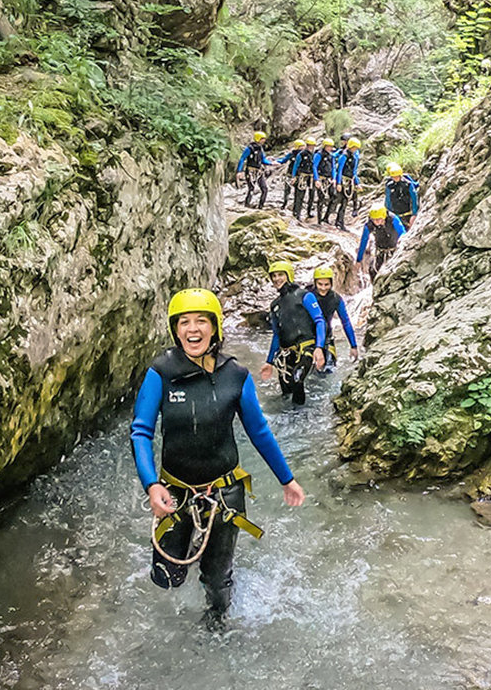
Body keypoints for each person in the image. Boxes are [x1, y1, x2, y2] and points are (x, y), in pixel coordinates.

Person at [130, 288, 306, 630]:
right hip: (175, 491)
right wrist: (152, 486)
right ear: (175, 328)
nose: (192, 329)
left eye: (201, 321)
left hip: (223, 493)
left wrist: (287, 479)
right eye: (184, 322)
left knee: (217, 584)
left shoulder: (235, 375)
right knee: (166, 577)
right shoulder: (160, 373)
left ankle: (215, 627)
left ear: (214, 328)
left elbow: (259, 432)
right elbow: (141, 432)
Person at [260, 260, 326, 405]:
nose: (277, 279)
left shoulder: (305, 296)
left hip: (306, 348)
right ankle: (288, 423)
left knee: (297, 380)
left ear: (289, 275)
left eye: (280, 275)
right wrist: (269, 361)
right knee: (286, 391)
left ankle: (302, 420)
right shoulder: (275, 305)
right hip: (286, 354)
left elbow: (319, 321)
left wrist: (319, 348)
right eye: (274, 276)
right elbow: (277, 334)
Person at [308, 265, 357, 373]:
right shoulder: (307, 296)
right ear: (315, 283)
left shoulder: (336, 299)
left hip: (326, 337)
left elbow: (346, 322)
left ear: (331, 284)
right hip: (307, 337)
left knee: (328, 370)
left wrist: (353, 346)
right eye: (320, 284)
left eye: (327, 284)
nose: (323, 288)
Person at [356, 204, 407, 282]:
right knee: (373, 271)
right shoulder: (369, 225)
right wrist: (359, 259)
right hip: (381, 251)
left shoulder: (393, 219)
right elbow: (364, 241)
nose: (376, 222)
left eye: (378, 219)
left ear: (384, 216)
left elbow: (403, 233)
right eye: (374, 219)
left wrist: (404, 248)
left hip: (395, 249)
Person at [235, 131, 270, 209]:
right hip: (250, 171)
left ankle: (261, 206)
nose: (263, 141)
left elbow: (263, 160)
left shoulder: (260, 148)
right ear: (258, 139)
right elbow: (242, 159)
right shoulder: (249, 148)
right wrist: (239, 171)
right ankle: (247, 205)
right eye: (262, 139)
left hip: (259, 172)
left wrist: (272, 163)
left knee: (264, 189)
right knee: (251, 188)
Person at [333, 138, 362, 230]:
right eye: (355, 148)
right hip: (342, 180)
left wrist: (357, 183)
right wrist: (338, 183)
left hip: (349, 181)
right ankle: (334, 219)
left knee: (345, 202)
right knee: (339, 200)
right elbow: (340, 169)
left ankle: (340, 221)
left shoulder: (354, 157)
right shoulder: (344, 155)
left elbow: (354, 172)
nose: (355, 150)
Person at [384, 162, 420, 228]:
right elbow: (388, 200)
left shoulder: (407, 184)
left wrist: (414, 214)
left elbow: (414, 198)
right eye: (394, 177)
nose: (395, 178)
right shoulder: (389, 185)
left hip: (407, 213)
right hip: (396, 214)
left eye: (397, 176)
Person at [291, 138, 318, 221]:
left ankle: (309, 212)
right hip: (302, 176)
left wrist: (316, 178)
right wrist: (294, 176)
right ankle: (297, 213)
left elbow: (314, 166)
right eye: (310, 145)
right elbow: (296, 165)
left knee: (312, 195)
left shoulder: (314, 154)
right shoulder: (301, 154)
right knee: (300, 195)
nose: (311, 147)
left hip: (311, 176)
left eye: (312, 146)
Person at [312, 138, 338, 224]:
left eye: (331, 147)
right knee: (321, 198)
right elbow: (314, 166)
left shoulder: (331, 156)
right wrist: (317, 179)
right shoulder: (319, 154)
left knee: (334, 196)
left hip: (329, 179)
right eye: (329, 146)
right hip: (321, 178)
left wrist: (334, 178)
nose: (330, 148)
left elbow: (333, 167)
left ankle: (326, 217)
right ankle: (319, 219)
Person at [279, 139, 306, 209]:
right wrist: (274, 161)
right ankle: (284, 204)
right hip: (290, 174)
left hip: (299, 175)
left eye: (303, 146)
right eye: (301, 146)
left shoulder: (304, 155)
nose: (302, 148)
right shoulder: (291, 154)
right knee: (287, 190)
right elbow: (284, 160)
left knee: (298, 192)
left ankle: (296, 206)